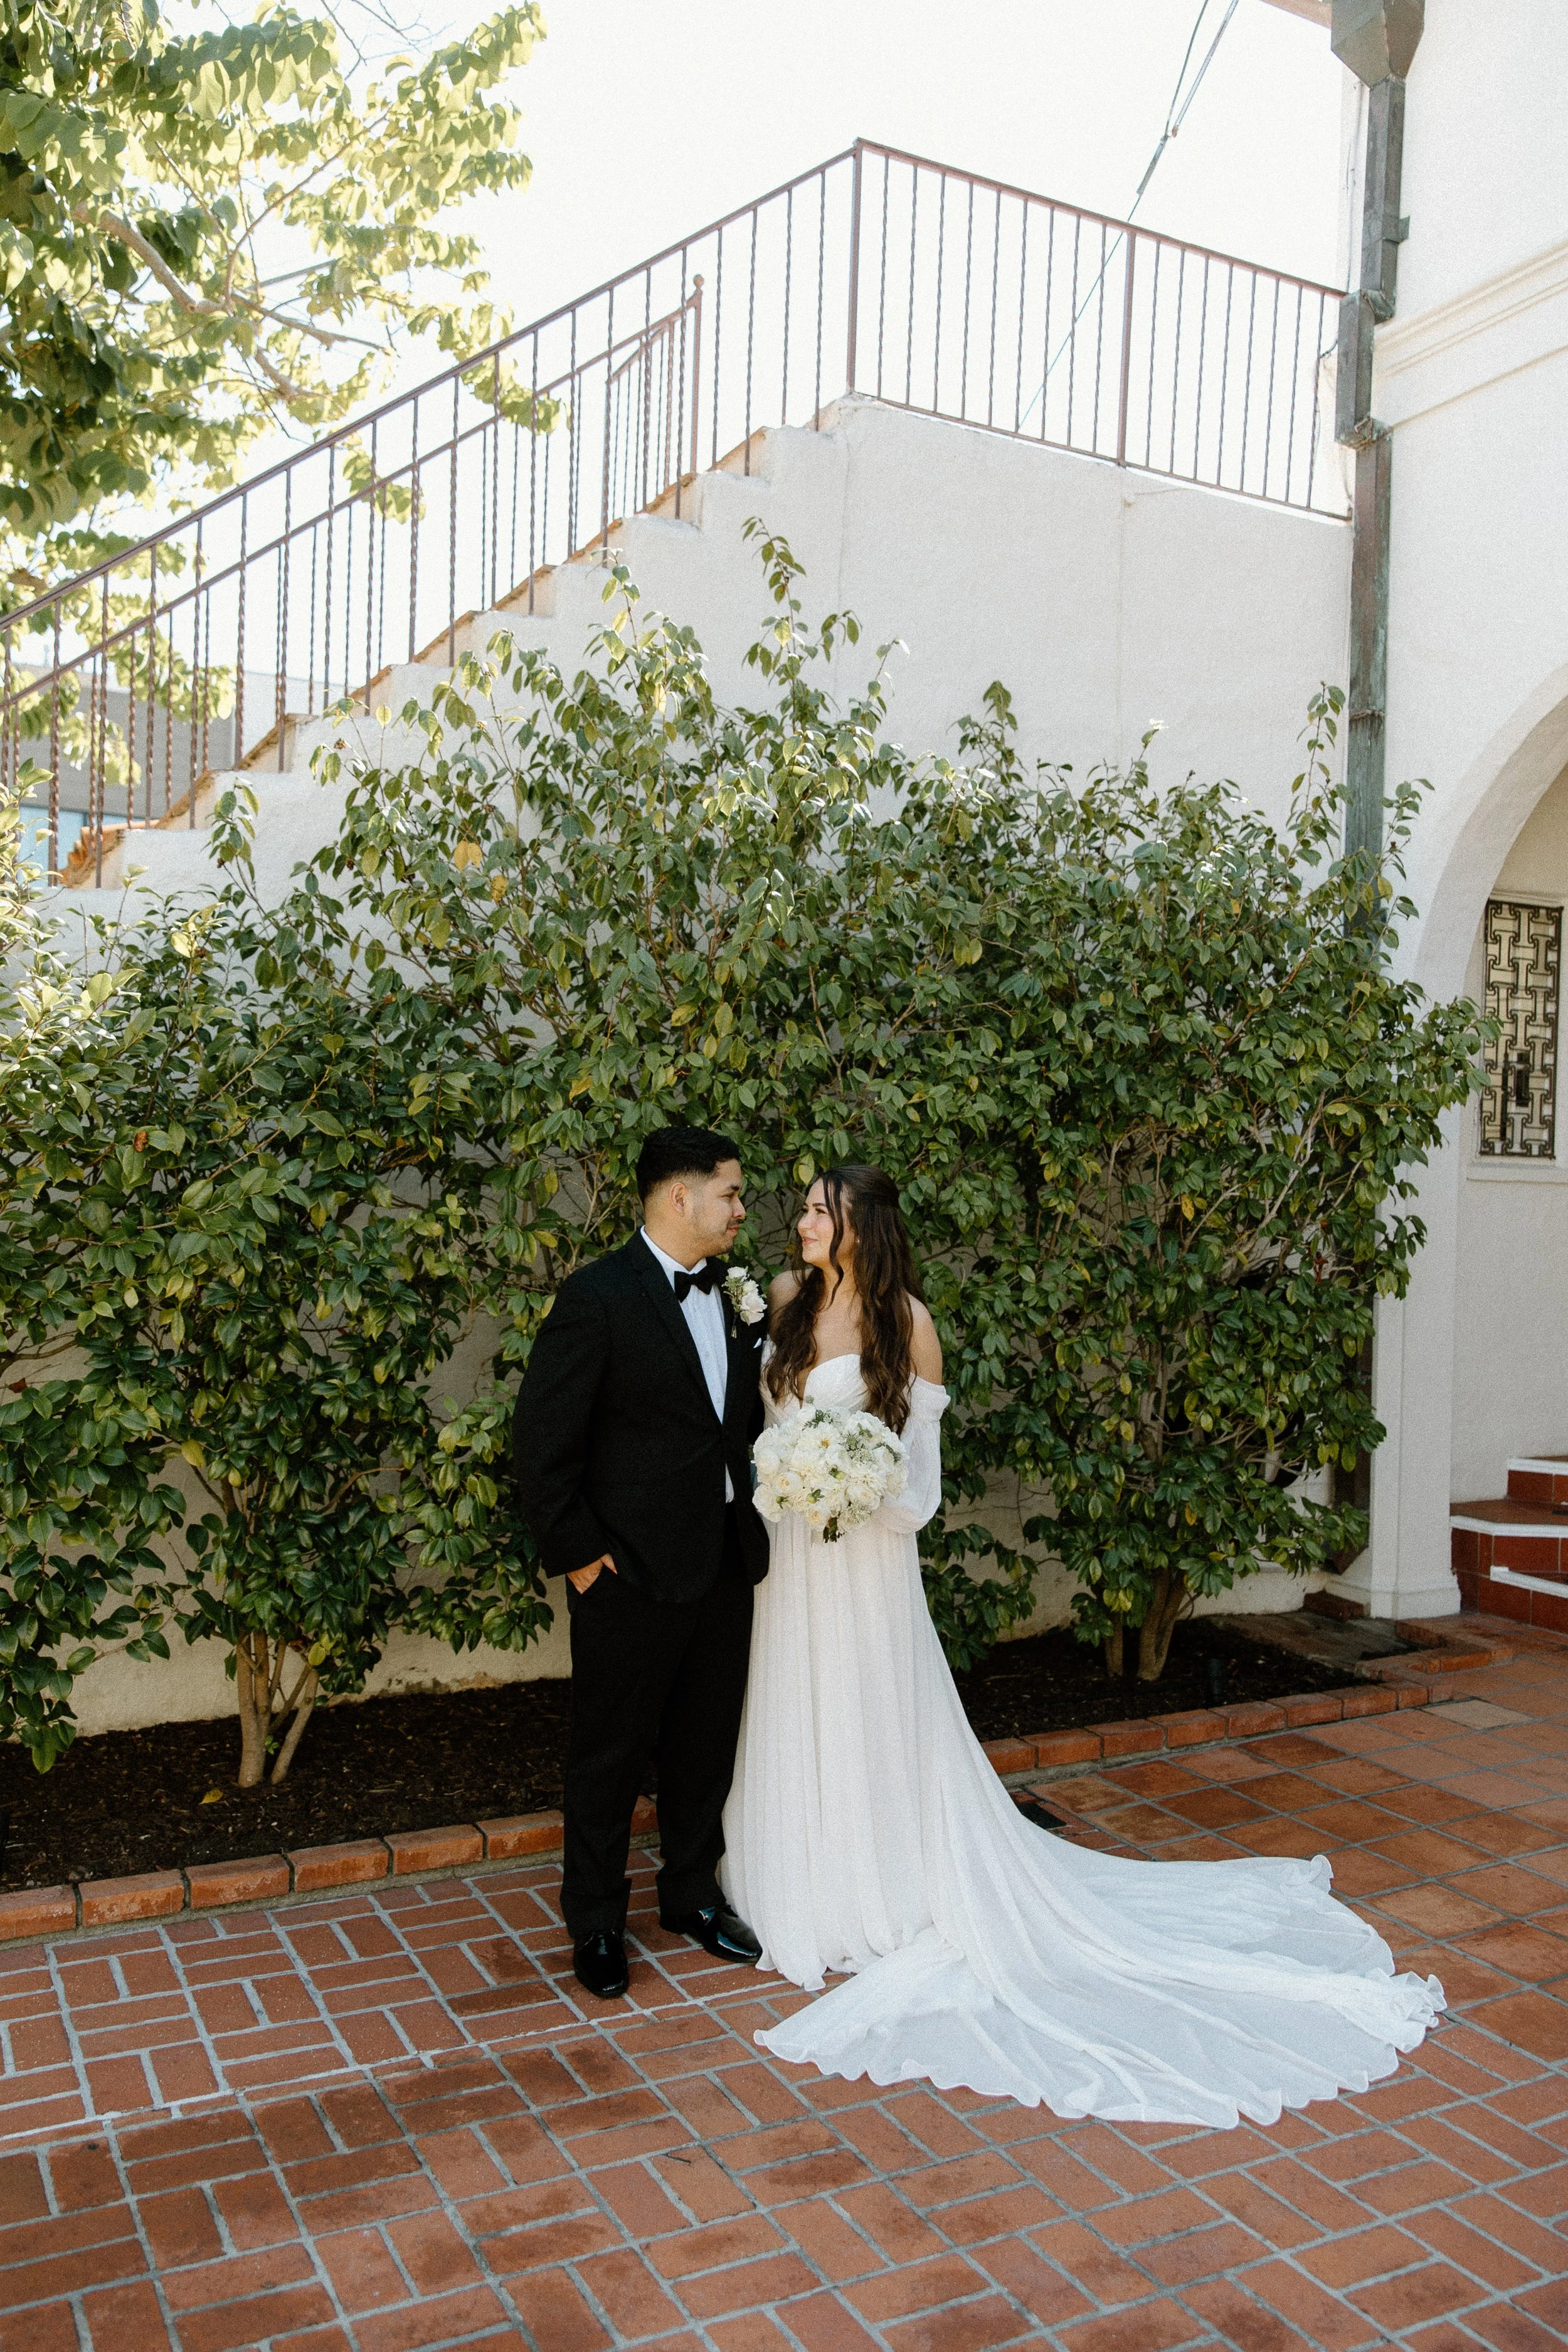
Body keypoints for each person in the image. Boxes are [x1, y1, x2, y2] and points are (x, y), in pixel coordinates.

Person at [721, 1165, 1445, 2127]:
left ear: (861, 1227)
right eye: (805, 1204)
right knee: (793, 1705)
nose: (801, 1217)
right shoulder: (780, 1302)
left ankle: (870, 1885)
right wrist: (794, 1482)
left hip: (862, 1562)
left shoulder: (910, 1325)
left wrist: (849, 1488)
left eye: (819, 1207)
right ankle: (794, 1874)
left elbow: (923, 1490)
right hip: (791, 1561)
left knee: (863, 1711)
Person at [514, 1126, 768, 2001]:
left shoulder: (736, 1297)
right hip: (628, 1575)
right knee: (609, 1755)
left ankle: (691, 1896)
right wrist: (584, 1561)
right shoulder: (599, 1298)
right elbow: (542, 1444)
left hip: (724, 1565)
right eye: (730, 1194)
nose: (742, 1209)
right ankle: (595, 1917)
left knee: (705, 1746)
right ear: (678, 1198)